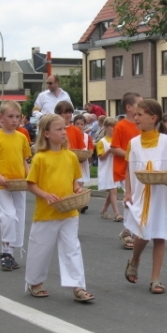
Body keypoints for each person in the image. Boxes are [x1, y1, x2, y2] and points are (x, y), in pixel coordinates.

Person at [25, 114, 95, 302]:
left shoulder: (71, 156)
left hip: (69, 212)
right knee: (40, 249)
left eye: (64, 128)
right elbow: (31, 184)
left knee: (72, 248)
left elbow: (75, 182)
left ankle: (78, 286)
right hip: (46, 213)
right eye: (59, 129)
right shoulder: (40, 158)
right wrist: (46, 195)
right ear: (46, 133)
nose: (64, 132)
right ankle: (35, 282)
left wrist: (78, 189)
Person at [123, 99, 167, 294]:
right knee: (142, 234)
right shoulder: (133, 143)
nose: (135, 117)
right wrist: (128, 192)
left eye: (140, 114)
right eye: (135, 114)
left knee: (159, 235)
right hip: (141, 194)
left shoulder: (166, 141)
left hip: (161, 193)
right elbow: (128, 170)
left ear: (153, 118)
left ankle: (155, 279)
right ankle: (135, 259)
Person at [0, 101, 32, 271]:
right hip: (2, 184)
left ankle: (10, 252)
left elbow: (25, 161)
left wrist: (29, 177)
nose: (14, 120)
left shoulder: (22, 137)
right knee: (8, 215)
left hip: (19, 183)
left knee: (19, 216)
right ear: (1, 118)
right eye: (10, 116)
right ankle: (4, 251)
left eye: (17, 117)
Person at [111, 92, 142, 250]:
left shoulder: (140, 125)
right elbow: (114, 147)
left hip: (137, 170)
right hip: (124, 169)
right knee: (130, 199)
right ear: (129, 107)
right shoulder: (121, 125)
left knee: (136, 199)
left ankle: (131, 230)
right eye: (139, 104)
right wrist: (132, 155)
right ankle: (127, 231)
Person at [97, 117, 123, 221]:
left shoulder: (117, 140)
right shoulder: (101, 142)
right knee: (113, 190)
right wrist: (110, 151)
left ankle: (104, 209)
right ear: (106, 128)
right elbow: (101, 157)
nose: (114, 129)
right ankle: (117, 214)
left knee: (113, 190)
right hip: (106, 169)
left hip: (115, 168)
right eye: (112, 127)